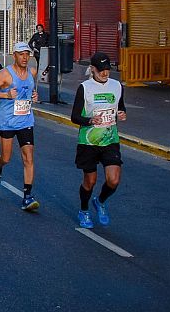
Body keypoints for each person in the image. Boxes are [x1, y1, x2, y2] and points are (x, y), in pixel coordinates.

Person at [72, 52, 127, 229]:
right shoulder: (85, 87)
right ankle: (84, 210)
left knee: (114, 180)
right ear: (93, 69)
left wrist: (121, 114)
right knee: (90, 181)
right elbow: (74, 116)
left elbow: (121, 107)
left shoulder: (117, 86)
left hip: (110, 139)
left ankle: (100, 201)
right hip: (88, 141)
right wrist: (89, 120)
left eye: (107, 70)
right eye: (101, 70)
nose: (105, 73)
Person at [0, 41, 41, 211]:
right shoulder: (5, 74)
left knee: (28, 156)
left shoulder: (32, 72)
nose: (25, 57)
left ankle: (28, 196)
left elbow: (31, 91)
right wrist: (6, 94)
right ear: (14, 55)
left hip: (26, 120)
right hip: (7, 121)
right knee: (6, 158)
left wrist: (34, 96)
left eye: (27, 54)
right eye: (21, 54)